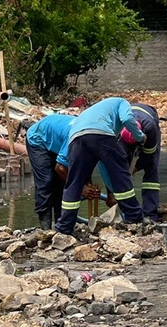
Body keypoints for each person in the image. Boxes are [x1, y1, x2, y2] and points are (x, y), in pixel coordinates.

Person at [55, 97, 146, 235]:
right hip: (101, 134)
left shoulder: (95, 109)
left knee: (74, 182)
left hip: (76, 138)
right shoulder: (122, 102)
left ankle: (64, 227)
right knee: (121, 177)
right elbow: (127, 119)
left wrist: (110, 194)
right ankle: (135, 218)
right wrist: (140, 136)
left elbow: (104, 167)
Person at [95, 101, 161, 220]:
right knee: (119, 165)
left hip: (148, 118)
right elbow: (109, 165)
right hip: (128, 126)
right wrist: (110, 192)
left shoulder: (150, 127)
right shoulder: (116, 133)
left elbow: (148, 156)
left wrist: (134, 169)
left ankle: (150, 214)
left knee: (151, 168)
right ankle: (127, 212)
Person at [25, 112, 76, 229]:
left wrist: (87, 185)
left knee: (61, 184)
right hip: (38, 139)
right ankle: (46, 229)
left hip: (57, 140)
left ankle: (60, 226)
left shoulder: (89, 138)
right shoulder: (74, 137)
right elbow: (60, 168)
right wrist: (80, 188)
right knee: (46, 181)